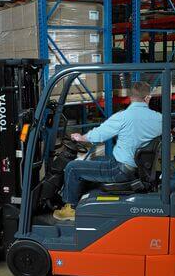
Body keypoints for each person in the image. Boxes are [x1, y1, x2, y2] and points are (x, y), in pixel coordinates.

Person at [53, 81, 163, 221]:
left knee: (72, 167)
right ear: (148, 98)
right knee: (95, 160)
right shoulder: (160, 119)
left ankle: (71, 208)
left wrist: (81, 137)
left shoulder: (123, 117)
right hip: (137, 168)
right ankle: (84, 197)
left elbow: (100, 134)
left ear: (130, 97)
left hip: (121, 170)